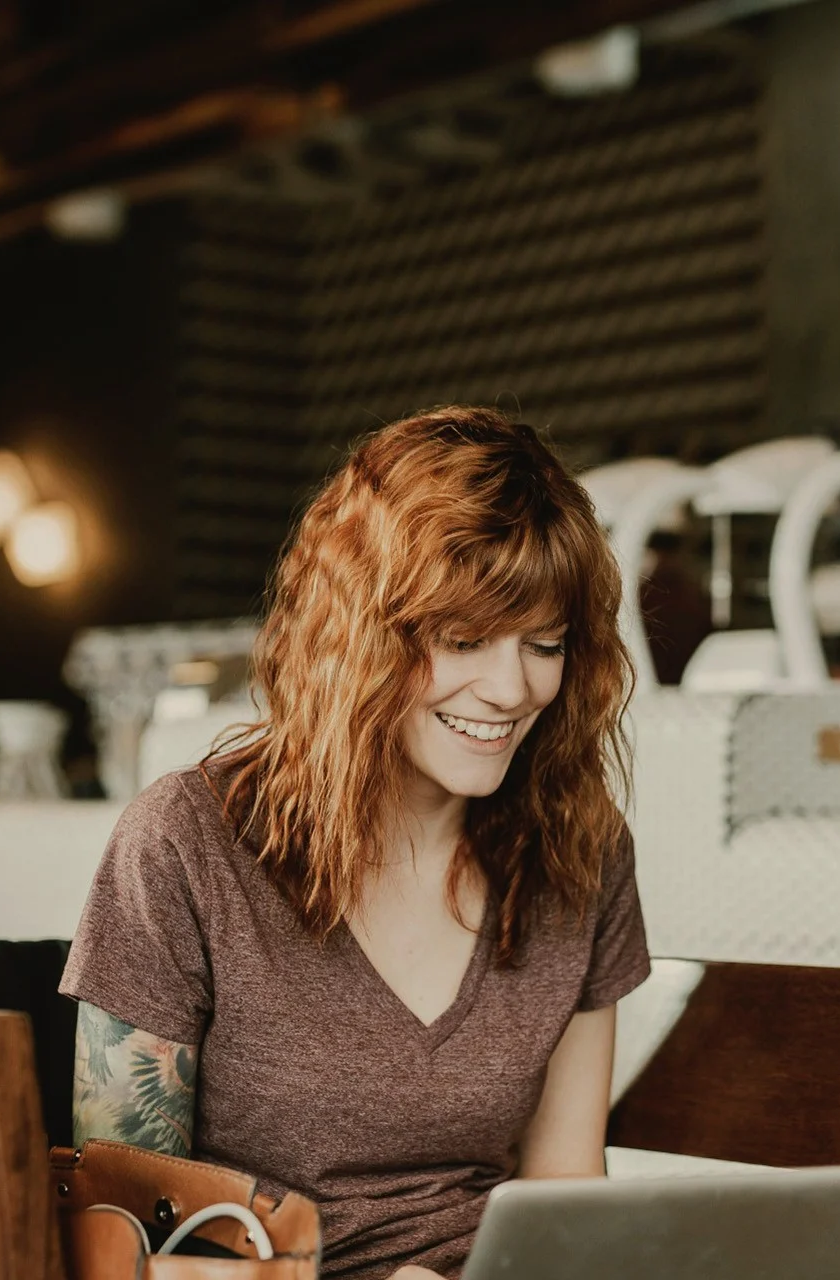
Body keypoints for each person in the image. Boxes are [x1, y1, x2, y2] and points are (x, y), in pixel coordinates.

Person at [61, 406, 650, 1280]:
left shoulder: (580, 852)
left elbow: (566, 1196)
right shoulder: (187, 844)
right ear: (361, 637)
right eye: (462, 640)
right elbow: (112, 1246)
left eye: (545, 644)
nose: (511, 688)